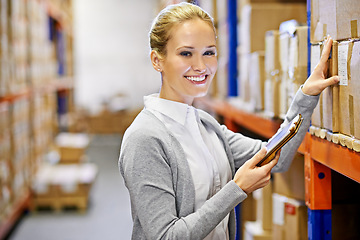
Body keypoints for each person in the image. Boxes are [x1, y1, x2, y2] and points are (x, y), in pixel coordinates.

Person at [118, 2, 339, 240]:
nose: (201, 66)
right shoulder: (145, 138)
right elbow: (164, 236)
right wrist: (237, 189)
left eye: (209, 52)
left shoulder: (205, 125)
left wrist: (306, 95)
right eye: (186, 53)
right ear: (157, 60)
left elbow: (276, 157)